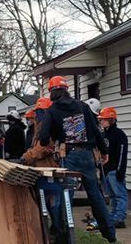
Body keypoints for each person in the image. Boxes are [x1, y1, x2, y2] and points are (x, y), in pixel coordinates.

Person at [39, 76, 116, 243]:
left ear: (52, 92)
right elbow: (95, 130)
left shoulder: (52, 111)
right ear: (66, 89)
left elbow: (43, 138)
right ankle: (110, 233)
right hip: (87, 156)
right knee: (95, 194)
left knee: (65, 197)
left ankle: (63, 236)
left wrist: (54, 138)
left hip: (70, 156)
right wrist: (104, 151)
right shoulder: (82, 106)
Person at [22, 97, 63, 238]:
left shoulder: (51, 127)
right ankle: (45, 231)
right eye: (37, 112)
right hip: (39, 171)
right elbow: (35, 147)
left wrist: (27, 156)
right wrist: (27, 155)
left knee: (53, 203)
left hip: (49, 170)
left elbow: (45, 148)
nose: (36, 115)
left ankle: (57, 230)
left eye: (39, 112)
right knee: (42, 203)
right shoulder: (38, 127)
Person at [99, 107, 128, 229]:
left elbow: (122, 153)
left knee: (120, 195)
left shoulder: (119, 134)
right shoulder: (103, 134)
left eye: (103, 119)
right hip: (105, 170)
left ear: (111, 120)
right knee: (111, 196)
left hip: (115, 170)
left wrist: (120, 171)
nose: (101, 122)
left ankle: (120, 218)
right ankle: (113, 216)